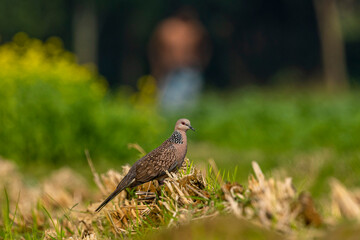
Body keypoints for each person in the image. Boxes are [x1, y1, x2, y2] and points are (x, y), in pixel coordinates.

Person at [148, 8, 211, 113]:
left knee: (187, 105)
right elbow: (154, 47)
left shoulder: (193, 29)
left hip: (187, 68)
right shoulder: (171, 28)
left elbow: (206, 47)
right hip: (172, 68)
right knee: (169, 104)